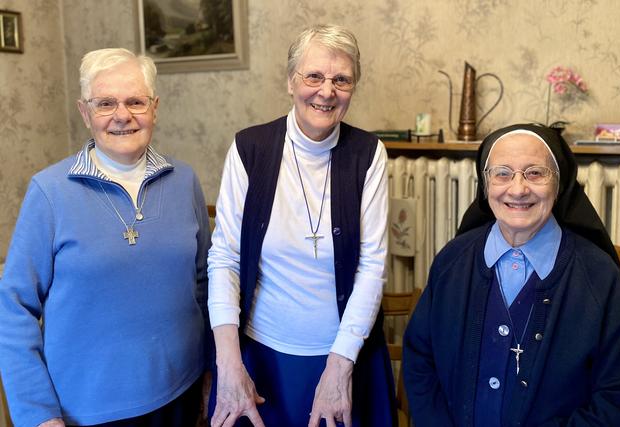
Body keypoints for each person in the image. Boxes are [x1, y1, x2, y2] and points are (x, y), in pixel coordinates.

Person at [0, 48, 212, 427]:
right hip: (85, 411)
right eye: (105, 103)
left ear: (155, 107)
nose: (122, 115)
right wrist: (37, 414)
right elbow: (13, 309)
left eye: (135, 101)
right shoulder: (49, 192)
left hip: (182, 395)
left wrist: (212, 371)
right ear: (85, 112)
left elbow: (204, 286)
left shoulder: (184, 181)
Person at [207, 24, 395, 427]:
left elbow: (371, 266)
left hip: (343, 356)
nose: (326, 91)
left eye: (341, 80)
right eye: (313, 76)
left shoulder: (369, 154)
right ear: (291, 82)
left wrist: (340, 365)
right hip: (263, 356)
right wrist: (228, 361)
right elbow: (224, 256)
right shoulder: (249, 149)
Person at [403, 123, 620, 426]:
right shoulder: (452, 261)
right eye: (502, 173)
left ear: (559, 183)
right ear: (485, 183)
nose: (517, 189)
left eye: (535, 173)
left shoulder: (600, 278)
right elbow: (420, 360)